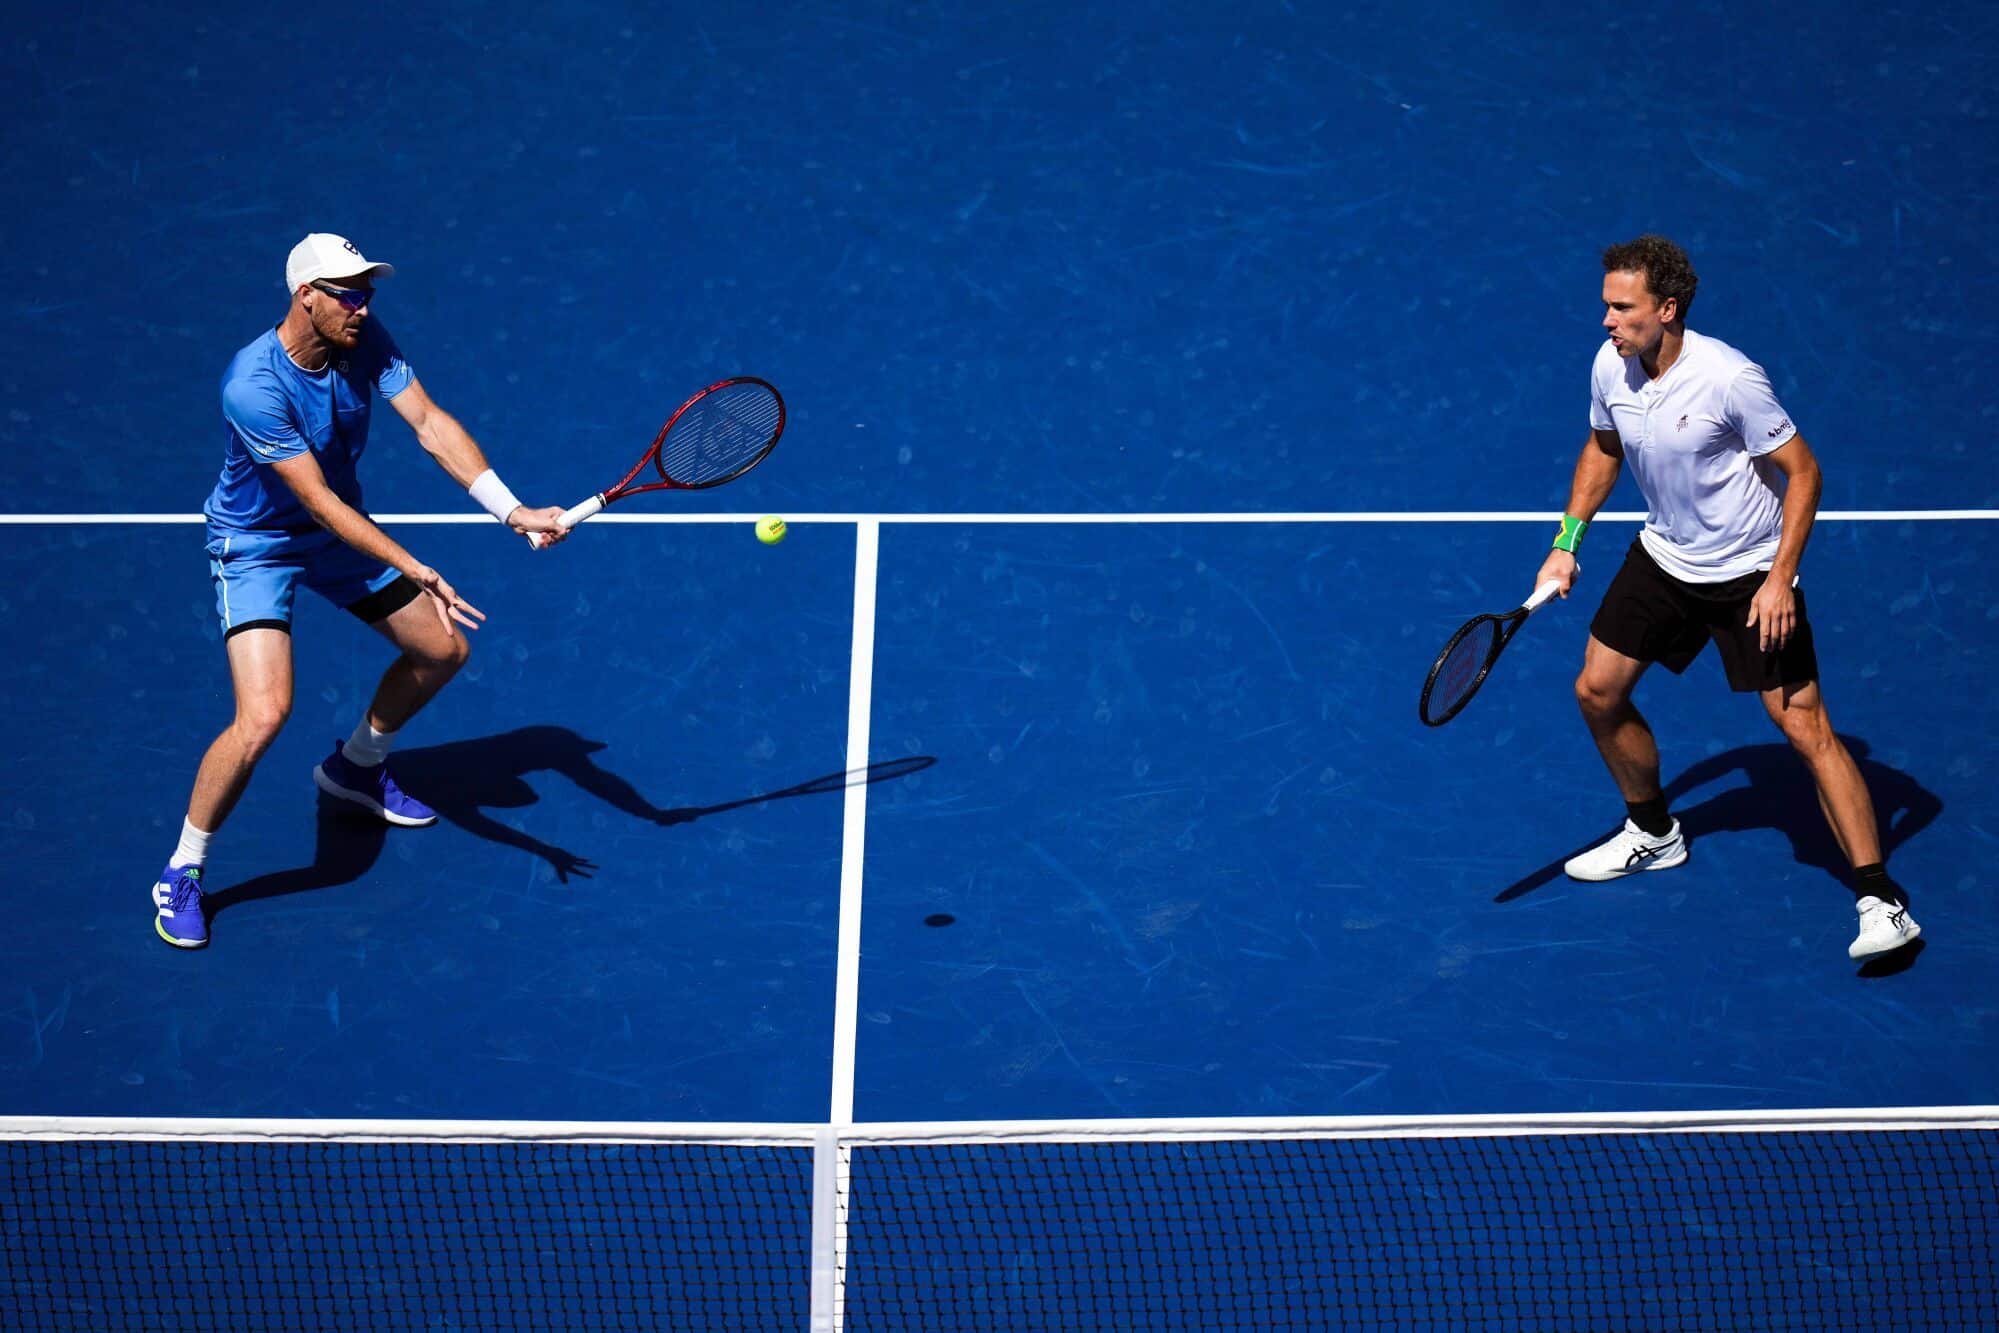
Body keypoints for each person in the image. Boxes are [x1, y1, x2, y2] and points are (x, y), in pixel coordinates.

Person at [151, 232, 570, 949]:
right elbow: (317, 502)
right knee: (263, 715)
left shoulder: (361, 335)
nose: (363, 303)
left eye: (367, 289)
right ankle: (182, 870)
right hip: (258, 549)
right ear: (304, 297)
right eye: (347, 291)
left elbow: (430, 423)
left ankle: (355, 767)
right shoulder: (252, 384)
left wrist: (511, 508)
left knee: (441, 650)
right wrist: (415, 566)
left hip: (336, 536)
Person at [1533, 234, 1919, 962]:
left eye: (1622, 307)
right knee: (1596, 690)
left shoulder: (1729, 378)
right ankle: (1653, 831)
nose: (1606, 320)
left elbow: (1802, 473)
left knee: (1802, 727)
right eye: (1605, 305)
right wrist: (1567, 540)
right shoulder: (1609, 366)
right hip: (1664, 557)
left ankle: (1882, 899)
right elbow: (1603, 447)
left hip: (1746, 570)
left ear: (1667, 308)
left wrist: (1778, 578)